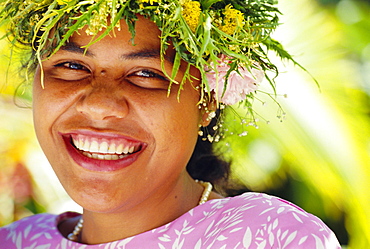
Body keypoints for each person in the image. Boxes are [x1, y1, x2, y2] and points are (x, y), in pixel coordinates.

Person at [0, 0, 341, 248]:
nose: (100, 105)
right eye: (72, 66)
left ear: (207, 101)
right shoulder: (16, 241)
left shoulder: (273, 238)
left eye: (146, 74)